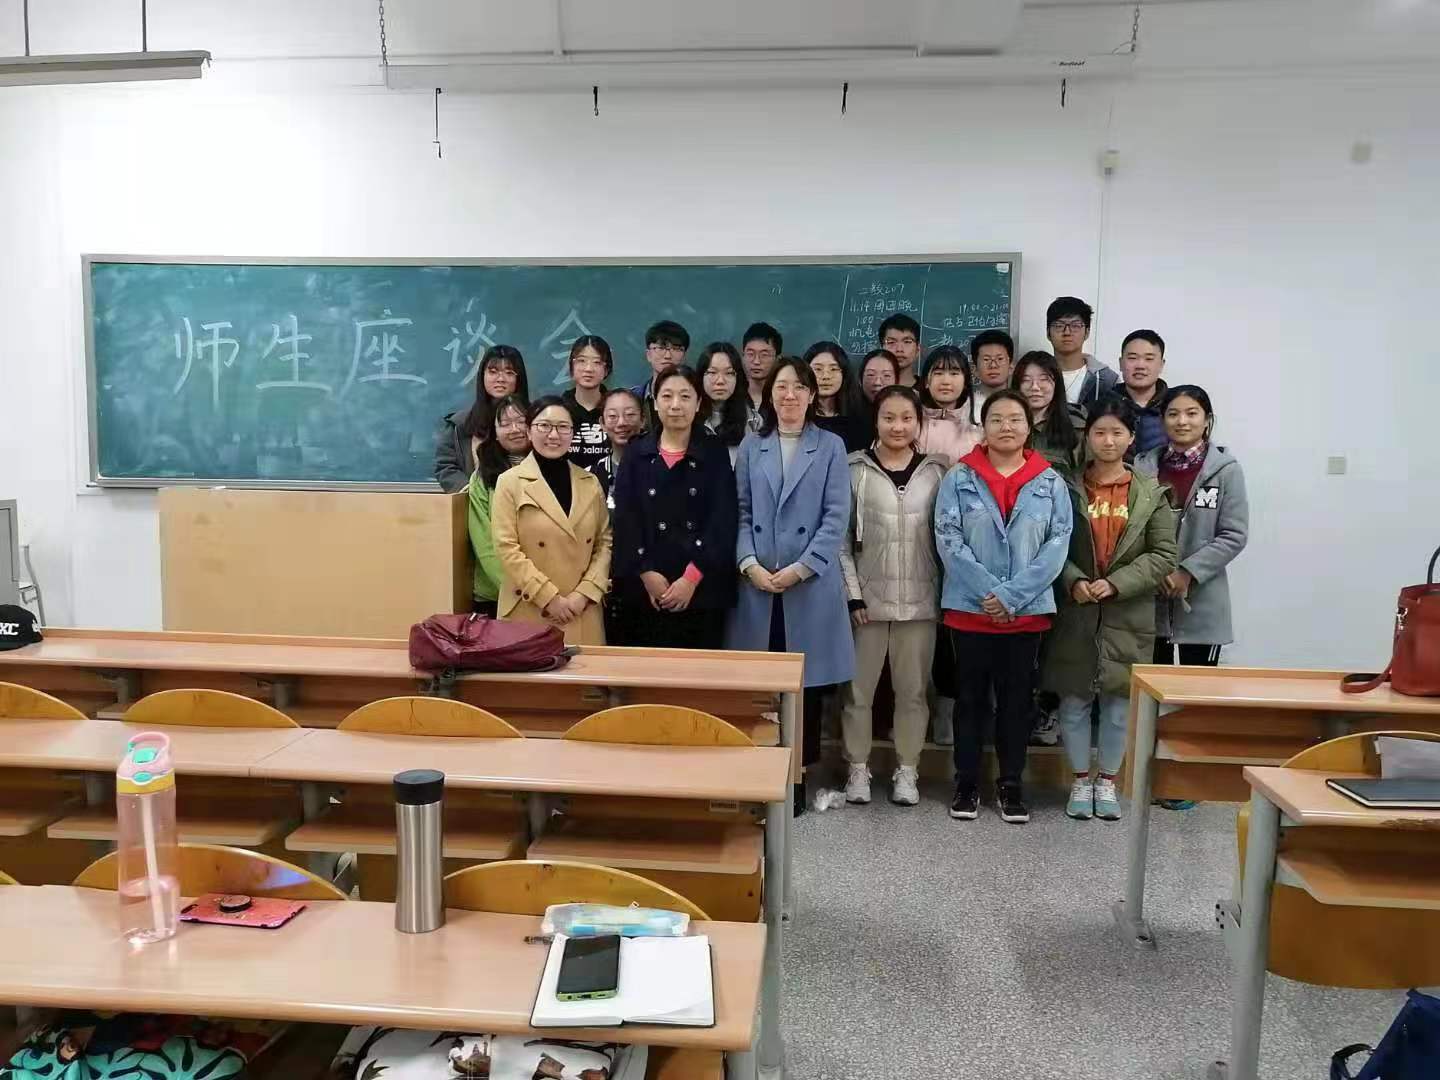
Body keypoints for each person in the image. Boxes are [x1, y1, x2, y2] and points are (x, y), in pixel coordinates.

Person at [935, 389, 1072, 824]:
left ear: (1029, 427)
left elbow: (1057, 545)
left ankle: (1011, 784)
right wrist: (989, 593)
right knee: (970, 701)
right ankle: (966, 783)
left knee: (1017, 703)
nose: (1006, 427)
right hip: (970, 611)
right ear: (984, 426)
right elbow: (948, 540)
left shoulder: (1050, 481)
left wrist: (1010, 596)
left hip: (1025, 613)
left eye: (1015, 419)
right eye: (996, 419)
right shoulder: (959, 477)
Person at [727, 357, 854, 815]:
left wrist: (802, 568)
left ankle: (797, 777)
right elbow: (740, 511)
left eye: (800, 387)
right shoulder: (752, 445)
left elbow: (836, 517)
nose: (790, 395)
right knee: (759, 687)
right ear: (769, 394)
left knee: (806, 689)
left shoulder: (831, 446)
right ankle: (759, 774)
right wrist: (748, 563)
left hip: (809, 585)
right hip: (758, 584)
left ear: (812, 394)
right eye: (782, 386)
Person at [1041, 398, 1178, 822]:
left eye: (1117, 433)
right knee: (1074, 701)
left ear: (1131, 438)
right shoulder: (1066, 488)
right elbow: (1048, 541)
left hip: (1128, 614)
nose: (1108, 440)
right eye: (1099, 432)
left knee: (1119, 707)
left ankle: (1107, 782)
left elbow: (1164, 554)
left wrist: (1118, 583)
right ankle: (1080, 780)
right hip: (1077, 610)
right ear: (1087, 437)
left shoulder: (1150, 493)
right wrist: (1073, 580)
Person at [839, 385, 947, 808]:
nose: (897, 426)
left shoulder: (938, 472)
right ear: (876, 421)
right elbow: (840, 541)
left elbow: (948, 538)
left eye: (906, 418)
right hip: (866, 604)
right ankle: (857, 768)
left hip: (921, 602)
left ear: (918, 423)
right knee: (857, 694)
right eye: (888, 418)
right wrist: (853, 596)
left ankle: (907, 769)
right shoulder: (854, 470)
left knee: (913, 693)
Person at [610, 366, 738, 650]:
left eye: (685, 396)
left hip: (701, 591)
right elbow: (625, 520)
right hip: (645, 591)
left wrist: (691, 579)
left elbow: (723, 521)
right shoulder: (636, 453)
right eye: (667, 396)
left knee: (698, 674)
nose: (676, 405)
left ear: (698, 403)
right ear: (655, 403)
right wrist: (646, 573)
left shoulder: (714, 452)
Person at [1135, 384, 1250, 667]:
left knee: (1198, 689)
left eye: (1191, 413)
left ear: (1207, 419)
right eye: (1173, 414)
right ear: (1162, 420)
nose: (1182, 421)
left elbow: (1234, 535)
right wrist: (1154, 570)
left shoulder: (1226, 470)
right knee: (1151, 687)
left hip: (1203, 602)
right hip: (1150, 599)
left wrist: (1187, 572)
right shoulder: (1143, 467)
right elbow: (1133, 529)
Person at [491, 396, 613, 645]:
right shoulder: (510, 482)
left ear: (572, 433)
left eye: (563, 427)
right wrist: (548, 597)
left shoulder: (589, 483)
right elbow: (506, 548)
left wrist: (585, 593)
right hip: (530, 606)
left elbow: (604, 542)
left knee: (585, 670)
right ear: (529, 431)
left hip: (582, 609)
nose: (554, 435)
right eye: (544, 426)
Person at [466, 394, 531, 617]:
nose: (515, 429)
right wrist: (521, 589)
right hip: (497, 593)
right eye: (505, 424)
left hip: (548, 592)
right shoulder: (482, 478)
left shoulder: (552, 470)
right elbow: (484, 543)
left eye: (521, 421)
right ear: (494, 432)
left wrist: (543, 590)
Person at [434, 345, 529, 493]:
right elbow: (446, 467)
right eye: (493, 372)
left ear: (519, 378)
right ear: (482, 376)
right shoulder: (459, 424)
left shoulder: (536, 420)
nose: (500, 379)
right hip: (472, 501)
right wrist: (473, 493)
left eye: (509, 372)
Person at [1046, 296, 1118, 414]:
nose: (1067, 332)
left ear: (1087, 332)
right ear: (1048, 333)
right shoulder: (1035, 377)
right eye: (1059, 326)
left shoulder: (1106, 380)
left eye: (1075, 326)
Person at [1012, 350, 1080, 475]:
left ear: (1056, 384)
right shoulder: (1006, 425)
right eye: (1026, 380)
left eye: (1043, 379)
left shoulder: (1076, 426)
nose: (1035, 387)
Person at [916, 345, 980, 467]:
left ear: (965, 382)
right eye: (938, 373)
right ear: (926, 382)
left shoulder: (979, 425)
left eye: (954, 373)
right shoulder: (910, 419)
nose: (946, 381)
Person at [805, 341, 868, 453]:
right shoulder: (798, 416)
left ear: (844, 374)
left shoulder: (859, 416)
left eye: (833, 369)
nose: (826, 376)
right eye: (818, 369)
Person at [1114, 329, 1168, 457]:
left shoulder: (1173, 407)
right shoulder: (1104, 406)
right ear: (1121, 363)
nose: (1140, 365)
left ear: (1161, 365)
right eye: (1132, 358)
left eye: (1149, 359)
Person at [562, 335, 614, 470]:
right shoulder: (559, 409)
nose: (588, 369)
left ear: (606, 370)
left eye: (597, 362)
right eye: (581, 361)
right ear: (571, 367)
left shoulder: (616, 408)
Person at [587, 388, 643, 502]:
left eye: (630, 414)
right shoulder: (590, 475)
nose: (621, 422)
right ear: (602, 423)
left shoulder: (659, 469)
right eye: (613, 416)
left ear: (642, 420)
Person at [696, 341, 749, 462]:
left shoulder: (752, 422)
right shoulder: (687, 417)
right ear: (701, 376)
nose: (720, 381)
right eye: (712, 372)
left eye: (729, 373)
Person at [630, 320, 690, 411]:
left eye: (675, 348)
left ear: (684, 356)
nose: (668, 356)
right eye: (661, 348)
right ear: (648, 355)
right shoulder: (631, 398)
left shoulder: (694, 396)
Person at [967, 329, 1016, 427]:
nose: (993, 365)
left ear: (1011, 367)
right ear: (974, 369)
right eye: (986, 359)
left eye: (1000, 359)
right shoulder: (965, 408)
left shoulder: (1020, 405)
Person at [740, 322, 782, 433]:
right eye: (750, 354)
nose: (756, 361)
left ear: (778, 358)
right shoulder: (733, 395)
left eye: (764, 355)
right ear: (743, 356)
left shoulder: (785, 398)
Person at [878, 313, 922, 387]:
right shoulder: (874, 388)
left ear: (918, 350)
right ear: (881, 349)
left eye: (907, 342)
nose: (899, 349)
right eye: (891, 342)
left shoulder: (929, 390)